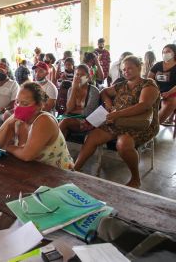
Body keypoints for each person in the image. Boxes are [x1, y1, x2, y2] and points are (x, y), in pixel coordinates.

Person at [75, 55, 160, 188]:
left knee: (123, 144)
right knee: (92, 137)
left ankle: (135, 179)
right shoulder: (121, 85)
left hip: (140, 124)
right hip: (117, 122)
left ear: (139, 67)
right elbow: (104, 92)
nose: (126, 71)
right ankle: (75, 169)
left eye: (130, 68)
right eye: (124, 69)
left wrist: (117, 114)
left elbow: (144, 105)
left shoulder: (149, 84)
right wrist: (109, 105)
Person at [0, 82, 74, 170]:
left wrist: (7, 147)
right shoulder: (17, 120)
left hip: (59, 175)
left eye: (25, 104)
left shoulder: (45, 120)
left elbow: (27, 155)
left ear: (39, 106)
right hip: (34, 171)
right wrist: (9, 122)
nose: (19, 107)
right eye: (17, 102)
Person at [59, 64, 100, 138]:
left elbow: (88, 112)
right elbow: (69, 108)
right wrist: (74, 88)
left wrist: (73, 111)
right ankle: (58, 148)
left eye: (82, 75)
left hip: (87, 122)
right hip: (72, 120)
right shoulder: (71, 89)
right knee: (63, 125)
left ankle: (49, 142)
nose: (78, 77)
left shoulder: (93, 91)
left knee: (65, 121)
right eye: (77, 74)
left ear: (87, 77)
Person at [148, 44, 176, 124]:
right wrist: (154, 91)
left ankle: (153, 126)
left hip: (172, 93)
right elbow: (149, 79)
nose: (165, 53)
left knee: (169, 102)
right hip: (157, 92)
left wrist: (168, 93)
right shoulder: (158, 65)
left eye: (168, 51)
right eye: (163, 52)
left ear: (174, 53)